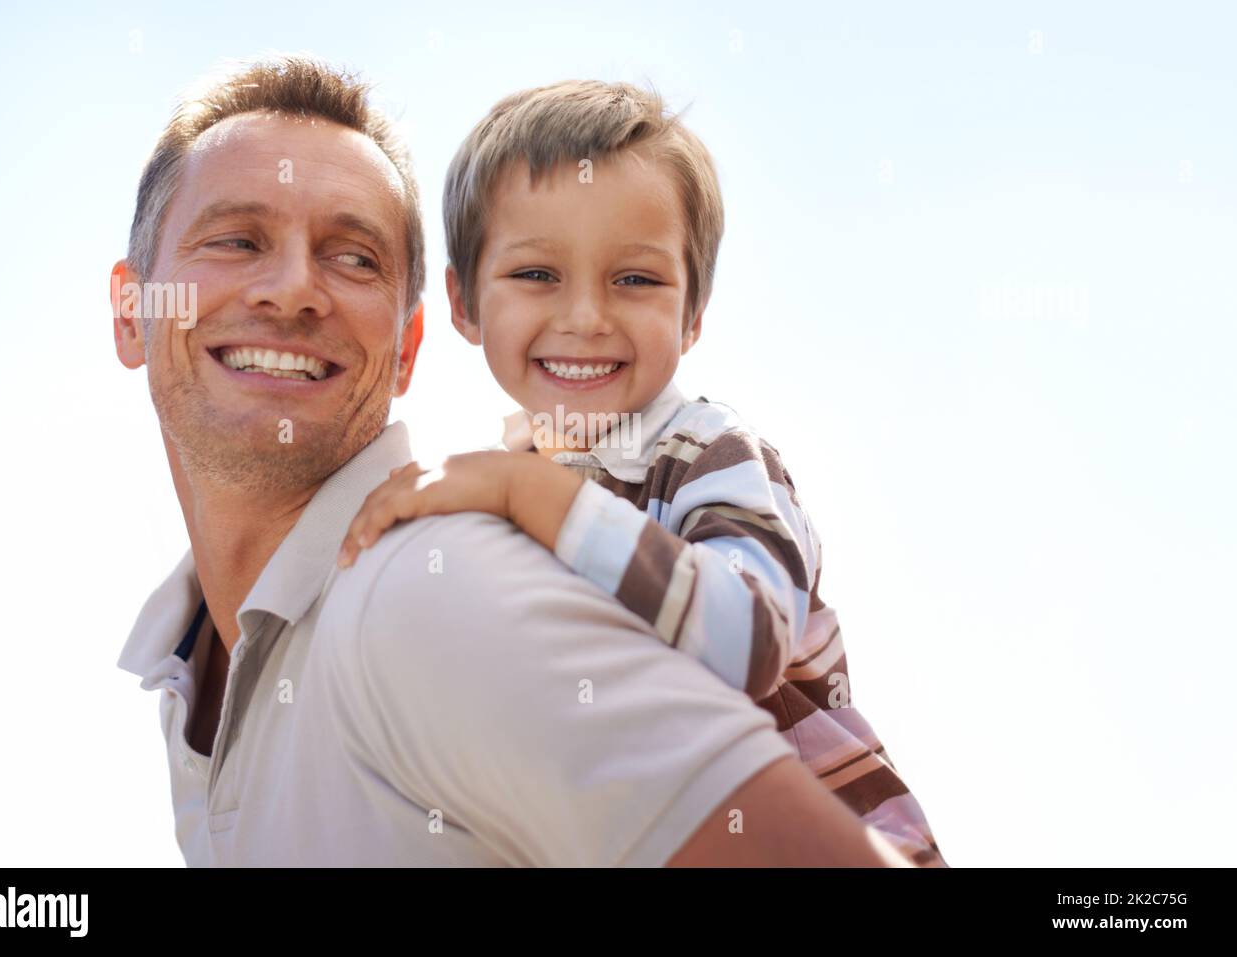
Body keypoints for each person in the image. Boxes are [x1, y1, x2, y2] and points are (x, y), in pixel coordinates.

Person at [113, 54, 916, 867]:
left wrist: (524, 492)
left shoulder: (442, 574)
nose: (291, 291)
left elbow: (756, 661)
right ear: (129, 313)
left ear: (407, 345)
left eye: (353, 256)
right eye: (236, 239)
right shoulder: (193, 678)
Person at [337, 81, 947, 866]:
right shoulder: (514, 487)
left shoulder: (708, 453)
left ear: (693, 312)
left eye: (635, 279)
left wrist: (529, 493)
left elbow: (749, 639)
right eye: (536, 275)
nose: (586, 316)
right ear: (462, 302)